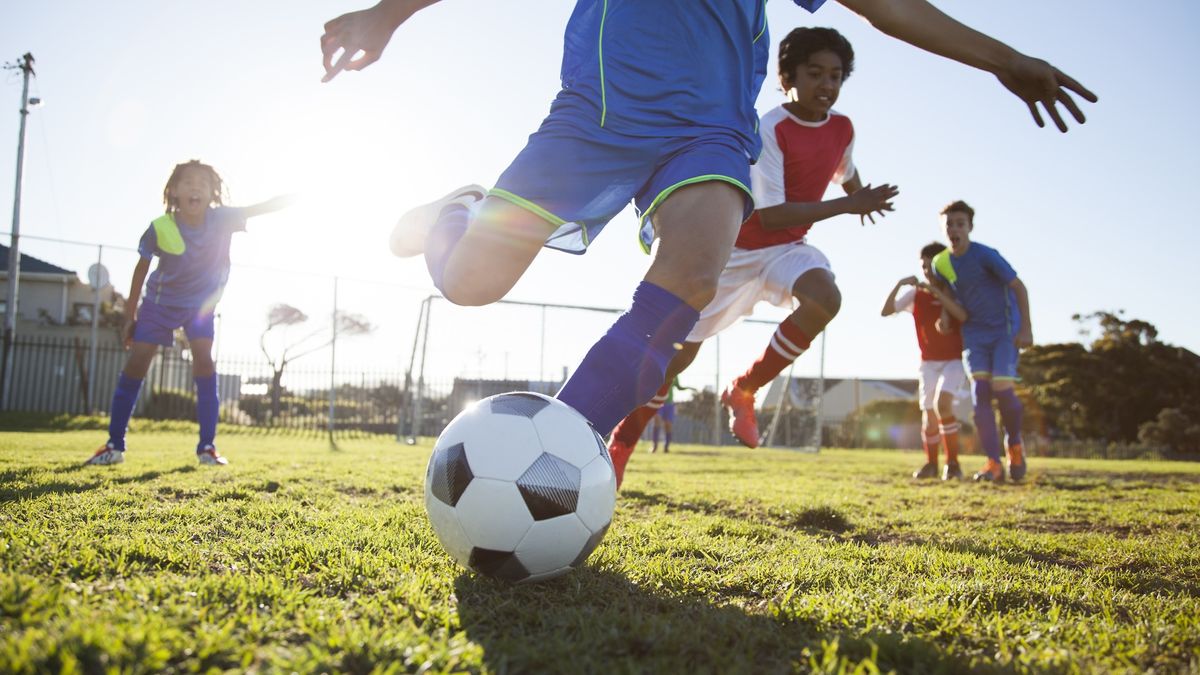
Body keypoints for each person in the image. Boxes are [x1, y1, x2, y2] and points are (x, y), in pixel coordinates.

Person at [319, 0, 1094, 484]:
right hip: (593, 117)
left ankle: (563, 448)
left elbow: (887, 6)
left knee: (690, 278)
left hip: (710, 131)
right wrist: (388, 14)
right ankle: (461, 211)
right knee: (471, 284)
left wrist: (1006, 59)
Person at [607, 25, 897, 485]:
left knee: (826, 297)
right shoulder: (771, 128)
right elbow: (776, 213)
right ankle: (622, 444)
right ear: (789, 78)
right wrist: (849, 205)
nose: (826, 85)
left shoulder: (843, 128)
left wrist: (863, 196)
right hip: (736, 250)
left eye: (836, 76)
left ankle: (744, 390)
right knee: (676, 360)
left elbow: (846, 170)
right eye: (815, 73)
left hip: (785, 250)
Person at [85, 161, 293, 466]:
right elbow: (141, 270)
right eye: (187, 182)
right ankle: (114, 445)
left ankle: (207, 447)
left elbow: (260, 207)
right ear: (174, 191)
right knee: (139, 360)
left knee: (204, 362)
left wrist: (296, 197)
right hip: (160, 303)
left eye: (202, 183)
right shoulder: (160, 227)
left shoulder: (223, 219)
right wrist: (130, 315)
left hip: (200, 305)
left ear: (212, 193)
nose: (195, 187)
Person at [932, 201, 1031, 482]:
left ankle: (1014, 443)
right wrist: (945, 317)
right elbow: (947, 291)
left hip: (1004, 330)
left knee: (1002, 386)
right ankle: (993, 462)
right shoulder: (941, 262)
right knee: (981, 393)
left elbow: (1018, 286)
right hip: (974, 334)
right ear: (943, 228)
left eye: (960, 224)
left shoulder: (986, 256)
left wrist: (1027, 329)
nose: (954, 229)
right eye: (949, 224)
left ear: (970, 227)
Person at [882, 242, 970, 480]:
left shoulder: (955, 291)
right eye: (924, 267)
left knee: (944, 405)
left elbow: (962, 317)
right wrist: (900, 284)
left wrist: (942, 300)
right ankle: (931, 463)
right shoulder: (916, 294)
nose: (928, 271)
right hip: (928, 362)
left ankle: (952, 464)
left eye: (932, 266)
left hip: (952, 360)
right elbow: (886, 311)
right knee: (929, 413)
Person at [649, 378, 692, 454]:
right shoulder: (660, 369)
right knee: (657, 421)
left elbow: (679, 387)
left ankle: (666, 447)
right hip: (659, 402)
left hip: (669, 404)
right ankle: (654, 446)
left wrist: (689, 388)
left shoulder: (675, 375)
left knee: (668, 425)